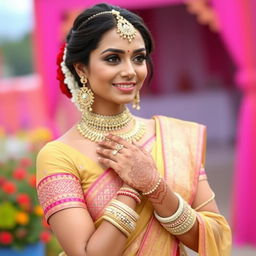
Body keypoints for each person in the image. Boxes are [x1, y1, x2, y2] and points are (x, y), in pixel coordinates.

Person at [36, 3, 231, 256]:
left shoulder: (174, 137)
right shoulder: (57, 156)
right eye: (113, 58)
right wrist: (132, 188)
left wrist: (154, 185)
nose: (130, 71)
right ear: (81, 68)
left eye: (138, 58)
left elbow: (216, 237)